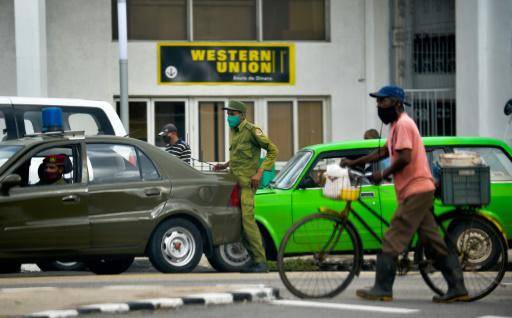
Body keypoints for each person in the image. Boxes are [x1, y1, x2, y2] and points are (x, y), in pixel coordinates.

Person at [342, 85, 468, 303]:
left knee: (392, 238)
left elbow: (404, 158)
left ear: (397, 103)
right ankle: (457, 288)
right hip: (418, 190)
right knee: (433, 241)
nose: (379, 106)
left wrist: (382, 173)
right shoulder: (395, 127)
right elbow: (383, 152)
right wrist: (354, 162)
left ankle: (382, 288)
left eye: (383, 101)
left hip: (416, 191)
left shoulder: (404, 124)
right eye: (378, 102)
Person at [214, 100, 279, 273]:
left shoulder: (251, 130)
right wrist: (225, 165)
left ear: (242, 115)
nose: (229, 117)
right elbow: (241, 155)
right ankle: (254, 260)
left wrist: (260, 172)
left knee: (248, 222)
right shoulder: (235, 132)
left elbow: (273, 150)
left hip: (248, 185)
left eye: (232, 114)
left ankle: (261, 262)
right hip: (236, 183)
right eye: (228, 114)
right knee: (239, 223)